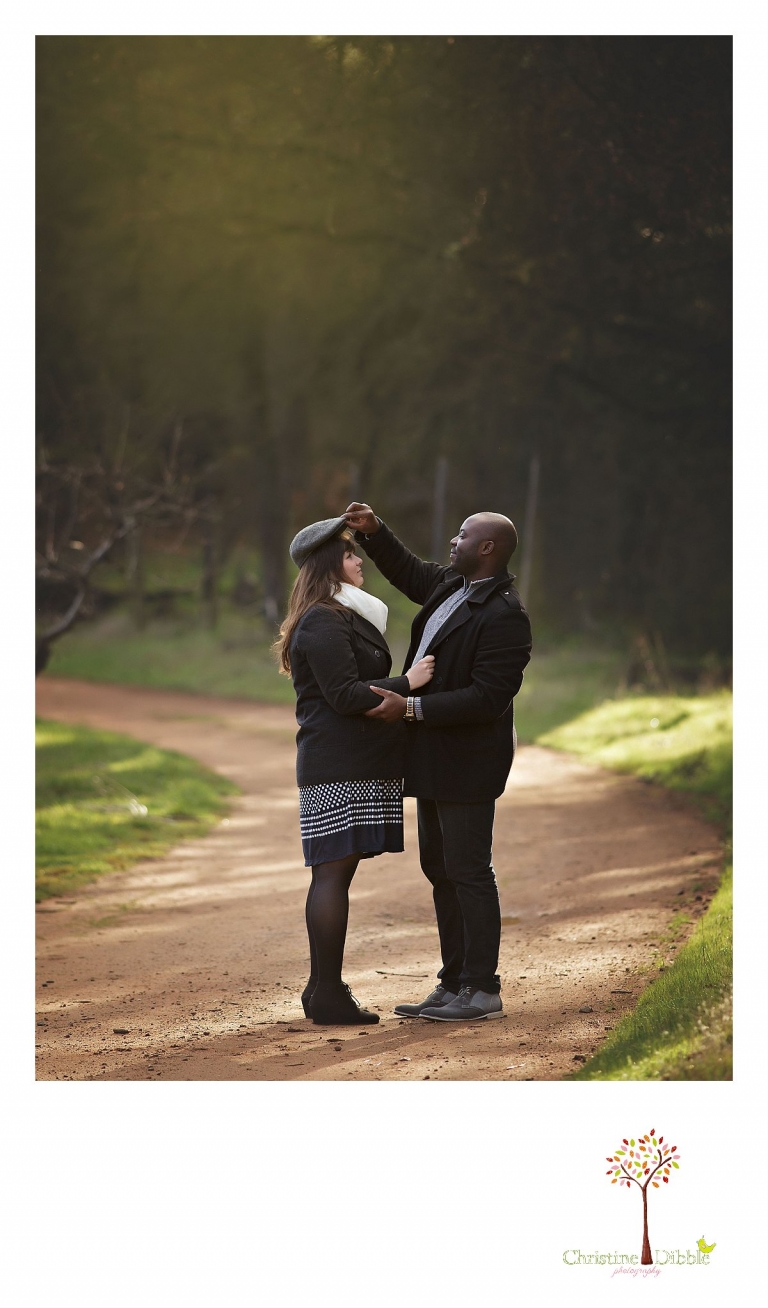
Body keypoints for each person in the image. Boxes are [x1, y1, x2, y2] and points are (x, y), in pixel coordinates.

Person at [343, 502, 532, 1022]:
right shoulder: (453, 587)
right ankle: (453, 984)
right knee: (439, 869)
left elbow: (487, 698)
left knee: (469, 872)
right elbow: (409, 570)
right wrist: (376, 532)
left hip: (469, 764)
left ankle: (483, 989)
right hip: (432, 757)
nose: (454, 541)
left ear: (488, 548)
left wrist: (411, 707)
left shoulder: (504, 616)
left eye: (464, 535)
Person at [274, 516, 435, 1025]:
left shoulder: (345, 616)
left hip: (355, 761)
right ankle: (326, 992)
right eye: (349, 554)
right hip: (339, 765)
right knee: (332, 874)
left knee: (336, 873)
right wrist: (408, 681)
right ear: (329, 567)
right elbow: (344, 695)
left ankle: (323, 989)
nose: (359, 560)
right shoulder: (323, 620)